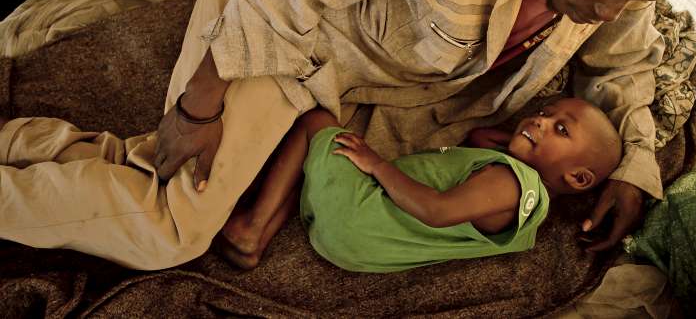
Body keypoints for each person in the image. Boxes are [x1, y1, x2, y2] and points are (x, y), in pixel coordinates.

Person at [0, 0, 696, 269]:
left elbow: (626, 67)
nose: (609, 14)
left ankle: (31, 150)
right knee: (172, 232)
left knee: (154, 171)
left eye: (635, 3)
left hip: (363, 86)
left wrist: (634, 167)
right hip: (287, 36)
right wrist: (200, 105)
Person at [218, 97, 622, 271]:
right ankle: (264, 229)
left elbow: (437, 210)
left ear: (579, 178)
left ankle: (251, 229)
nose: (540, 120)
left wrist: (376, 164)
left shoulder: (513, 182)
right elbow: (481, 138)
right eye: (543, 112)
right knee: (322, 161)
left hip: (363, 213)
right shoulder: (524, 208)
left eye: (560, 129)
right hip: (354, 248)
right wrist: (523, 142)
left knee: (318, 124)